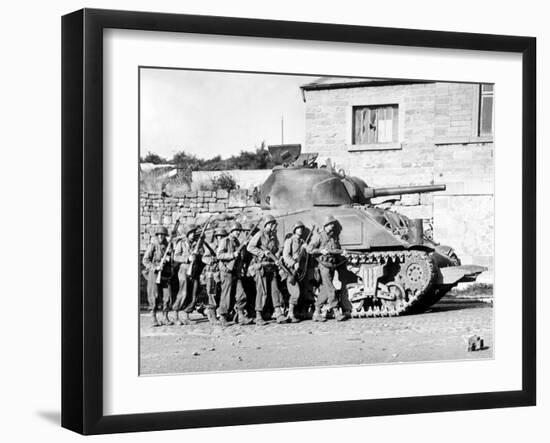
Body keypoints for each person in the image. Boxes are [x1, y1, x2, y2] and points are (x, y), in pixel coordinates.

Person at [247, 215, 287, 325]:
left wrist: (278, 256)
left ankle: (278, 314)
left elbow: (277, 249)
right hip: (261, 267)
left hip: (272, 266)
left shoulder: (274, 236)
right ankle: (258, 315)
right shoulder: (260, 234)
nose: (275, 227)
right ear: (269, 225)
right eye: (274, 225)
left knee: (275, 290)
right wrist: (262, 253)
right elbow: (250, 247)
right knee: (262, 291)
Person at [306, 215, 347, 322]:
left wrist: (342, 252)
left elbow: (336, 249)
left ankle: (316, 312)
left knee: (325, 289)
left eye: (332, 225)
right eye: (329, 225)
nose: (331, 227)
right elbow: (309, 249)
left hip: (331, 265)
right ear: (325, 225)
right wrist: (320, 251)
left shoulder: (333, 236)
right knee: (330, 288)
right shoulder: (319, 236)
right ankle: (336, 311)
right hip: (323, 265)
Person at [216, 222, 254, 326]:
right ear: (232, 231)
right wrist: (232, 254)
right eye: (236, 231)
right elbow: (219, 255)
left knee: (241, 294)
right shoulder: (225, 241)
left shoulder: (238, 242)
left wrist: (244, 247)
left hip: (235, 272)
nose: (238, 233)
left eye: (239, 231)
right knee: (226, 295)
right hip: (226, 271)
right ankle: (222, 317)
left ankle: (241, 316)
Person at [171, 222, 203, 325]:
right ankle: (176, 315)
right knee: (183, 292)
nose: (193, 235)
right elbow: (175, 257)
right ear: (187, 234)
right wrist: (187, 258)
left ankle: (186, 316)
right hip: (184, 270)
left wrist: (197, 255)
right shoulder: (181, 243)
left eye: (194, 232)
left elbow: (202, 257)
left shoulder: (197, 243)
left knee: (193, 293)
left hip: (194, 271)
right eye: (191, 233)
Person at [142, 226, 173, 327]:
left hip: (165, 273)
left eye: (163, 235)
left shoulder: (168, 245)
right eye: (159, 235)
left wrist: (168, 259)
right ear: (157, 235)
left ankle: (165, 317)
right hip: (154, 273)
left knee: (167, 296)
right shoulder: (153, 245)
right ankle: (153, 318)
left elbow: (172, 258)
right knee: (153, 295)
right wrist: (155, 267)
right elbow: (145, 260)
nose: (161, 237)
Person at [282, 221, 308, 323]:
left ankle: (293, 313)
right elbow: (285, 256)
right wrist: (293, 263)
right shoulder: (290, 241)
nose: (300, 230)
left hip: (298, 271)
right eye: (298, 228)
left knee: (298, 292)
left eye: (301, 228)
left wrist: (305, 249)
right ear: (294, 230)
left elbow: (304, 258)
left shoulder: (302, 241)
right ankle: (290, 314)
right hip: (290, 270)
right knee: (295, 292)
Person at [201, 227, 225, 324]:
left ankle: (220, 313)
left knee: (220, 294)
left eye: (222, 237)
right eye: (219, 237)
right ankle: (212, 315)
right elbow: (204, 258)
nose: (220, 238)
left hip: (220, 273)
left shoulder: (225, 246)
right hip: (211, 273)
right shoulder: (211, 246)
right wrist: (213, 259)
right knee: (212, 294)